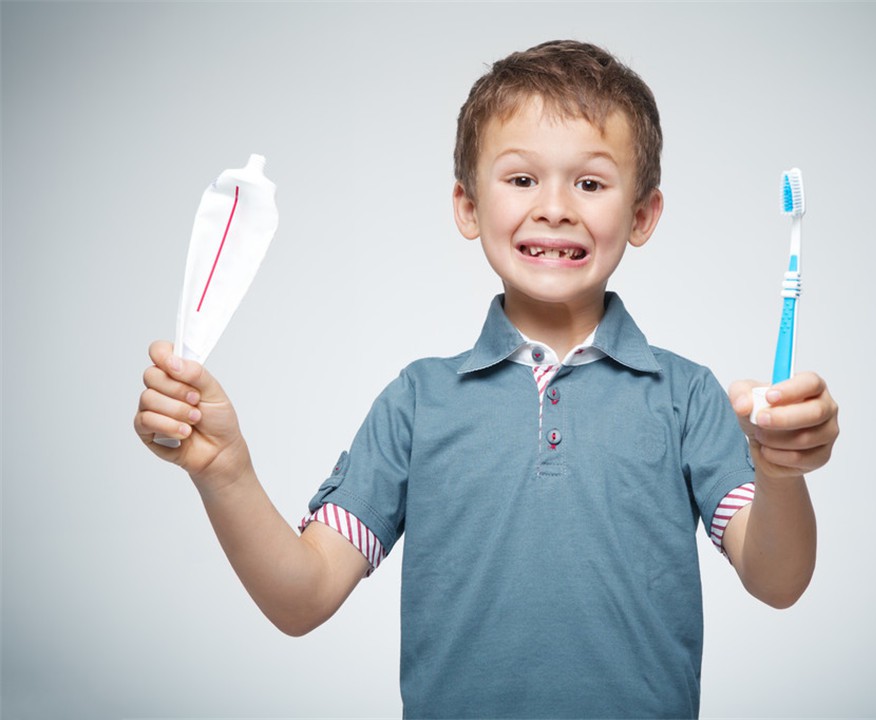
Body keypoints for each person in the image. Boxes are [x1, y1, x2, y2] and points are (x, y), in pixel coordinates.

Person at [135, 39, 839, 718]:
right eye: (522, 179)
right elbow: (303, 597)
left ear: (643, 214)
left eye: (590, 183)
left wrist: (780, 472)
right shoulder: (418, 402)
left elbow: (777, 581)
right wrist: (225, 472)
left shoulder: (687, 396)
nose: (555, 206)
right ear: (468, 207)